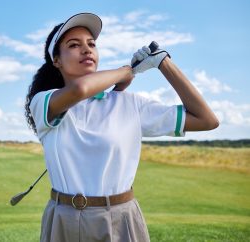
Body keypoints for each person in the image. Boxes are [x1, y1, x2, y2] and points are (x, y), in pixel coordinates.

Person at [24, 13, 219, 242]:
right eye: (74, 45)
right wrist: (128, 71)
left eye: (91, 44)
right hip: (63, 219)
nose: (86, 50)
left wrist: (162, 62)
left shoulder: (130, 104)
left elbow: (207, 120)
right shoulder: (43, 102)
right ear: (56, 60)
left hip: (121, 218)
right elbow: (79, 90)